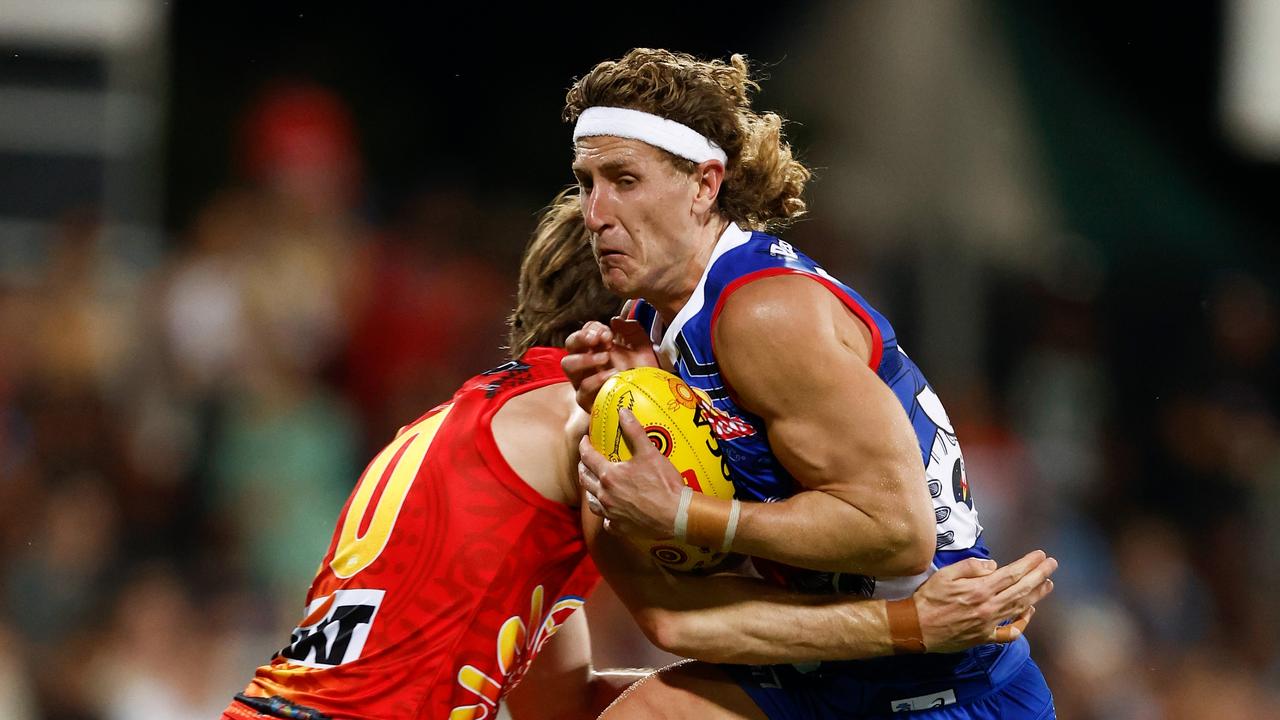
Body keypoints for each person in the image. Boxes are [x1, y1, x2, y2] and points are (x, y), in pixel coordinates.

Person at [220, 191, 1055, 720]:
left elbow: (558, 706)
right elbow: (677, 621)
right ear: (625, 329)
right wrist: (911, 625)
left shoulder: (470, 430)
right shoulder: (594, 418)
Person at [563, 49, 1057, 718]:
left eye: (624, 179)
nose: (595, 212)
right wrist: (639, 417)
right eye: (586, 181)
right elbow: (678, 622)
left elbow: (895, 530)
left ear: (705, 185)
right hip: (844, 662)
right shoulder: (647, 340)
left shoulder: (762, 314)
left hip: (951, 688)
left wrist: (684, 515)